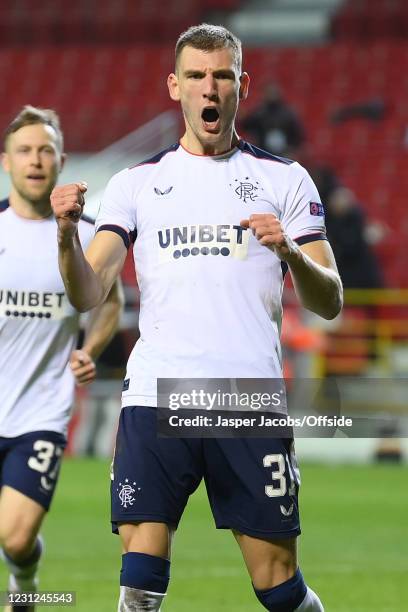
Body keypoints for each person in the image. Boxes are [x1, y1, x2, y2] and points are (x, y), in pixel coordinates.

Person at [51, 24, 343, 612]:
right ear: (174, 86)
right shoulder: (137, 183)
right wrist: (64, 236)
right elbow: (88, 292)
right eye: (196, 76)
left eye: (222, 76)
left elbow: (329, 298)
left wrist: (288, 252)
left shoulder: (284, 180)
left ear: (242, 86)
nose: (209, 90)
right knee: (139, 589)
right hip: (158, 395)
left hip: (246, 396)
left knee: (279, 587)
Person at [0, 105, 123, 611]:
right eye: (24, 150)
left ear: (62, 161)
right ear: (6, 161)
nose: (35, 160)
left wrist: (89, 349)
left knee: (14, 538)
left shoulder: (87, 233)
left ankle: (24, 582)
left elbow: (110, 303)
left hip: (41, 414)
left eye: (45, 150)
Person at [241, 82, 305, 159]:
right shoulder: (260, 113)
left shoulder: (288, 114)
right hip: (263, 153)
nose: (271, 95)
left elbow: (298, 135)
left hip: (284, 154)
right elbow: (247, 126)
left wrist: (292, 150)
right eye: (269, 92)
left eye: (273, 92)